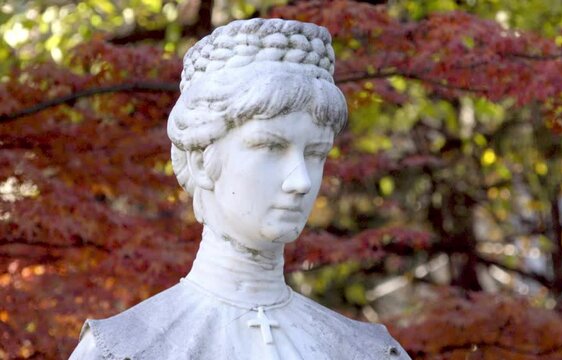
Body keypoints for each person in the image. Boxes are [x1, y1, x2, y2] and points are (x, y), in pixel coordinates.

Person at [70, 18, 409, 360]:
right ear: (202, 161)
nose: (301, 181)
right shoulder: (122, 350)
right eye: (271, 147)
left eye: (315, 153)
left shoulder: (370, 352)